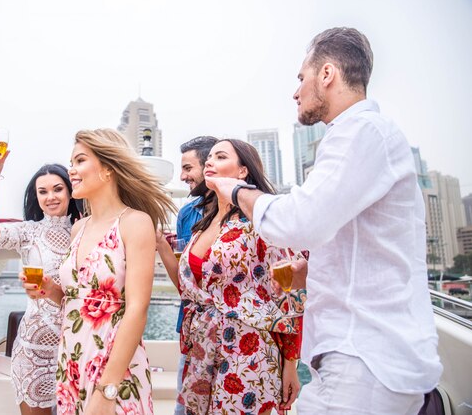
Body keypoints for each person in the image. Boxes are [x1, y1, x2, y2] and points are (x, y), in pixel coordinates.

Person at [206, 27, 442, 414]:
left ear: (327, 74)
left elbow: (299, 222)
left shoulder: (362, 131)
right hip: (360, 360)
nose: (295, 91)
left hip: (363, 362)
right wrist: (308, 273)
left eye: (302, 78)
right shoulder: (358, 137)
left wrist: (234, 191)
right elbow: (361, 251)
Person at [178, 138, 306, 414]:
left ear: (243, 171)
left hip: (247, 351)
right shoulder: (203, 221)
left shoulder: (260, 221)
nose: (210, 161)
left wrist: (290, 366)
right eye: (209, 157)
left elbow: (291, 294)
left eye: (220, 157)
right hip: (202, 348)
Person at [53, 128, 176, 414]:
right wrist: (50, 291)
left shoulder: (135, 222)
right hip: (71, 359)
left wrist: (107, 391)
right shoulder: (77, 228)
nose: (71, 170)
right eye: (72, 162)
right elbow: (76, 300)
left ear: (108, 169)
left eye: (80, 161)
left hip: (113, 368)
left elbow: (137, 309)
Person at [0, 139, 81, 414]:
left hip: (76, 345)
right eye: (43, 191)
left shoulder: (86, 232)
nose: (51, 197)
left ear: (71, 192)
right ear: (36, 197)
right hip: (33, 347)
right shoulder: (29, 232)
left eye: (58, 189)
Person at [155, 135, 217, 415]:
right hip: (191, 331)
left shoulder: (244, 212)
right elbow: (184, 285)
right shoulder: (187, 213)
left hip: (233, 331)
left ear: (209, 166)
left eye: (188, 168)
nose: (182, 176)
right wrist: (159, 243)